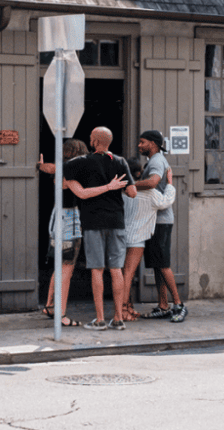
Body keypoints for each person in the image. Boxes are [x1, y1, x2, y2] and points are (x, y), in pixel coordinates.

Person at [62, 126, 133, 331]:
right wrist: (113, 187)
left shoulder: (79, 164)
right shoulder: (120, 162)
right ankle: (118, 319)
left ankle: (100, 319)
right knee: (116, 269)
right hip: (117, 222)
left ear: (93, 141)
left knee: (97, 270)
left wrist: (104, 187)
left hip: (93, 223)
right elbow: (133, 192)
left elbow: (79, 192)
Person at [137, 131, 187, 323]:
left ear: (153, 143)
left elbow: (152, 182)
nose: (139, 145)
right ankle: (163, 305)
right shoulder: (155, 160)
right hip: (155, 220)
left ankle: (179, 304)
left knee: (163, 264)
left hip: (161, 221)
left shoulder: (157, 160)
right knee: (158, 264)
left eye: (143, 142)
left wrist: (130, 186)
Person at [37, 138, 88, 327]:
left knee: (60, 265)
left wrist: (40, 166)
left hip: (57, 217)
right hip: (69, 219)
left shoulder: (63, 168)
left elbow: (51, 168)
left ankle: (50, 306)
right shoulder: (73, 170)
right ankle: (61, 314)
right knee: (67, 267)